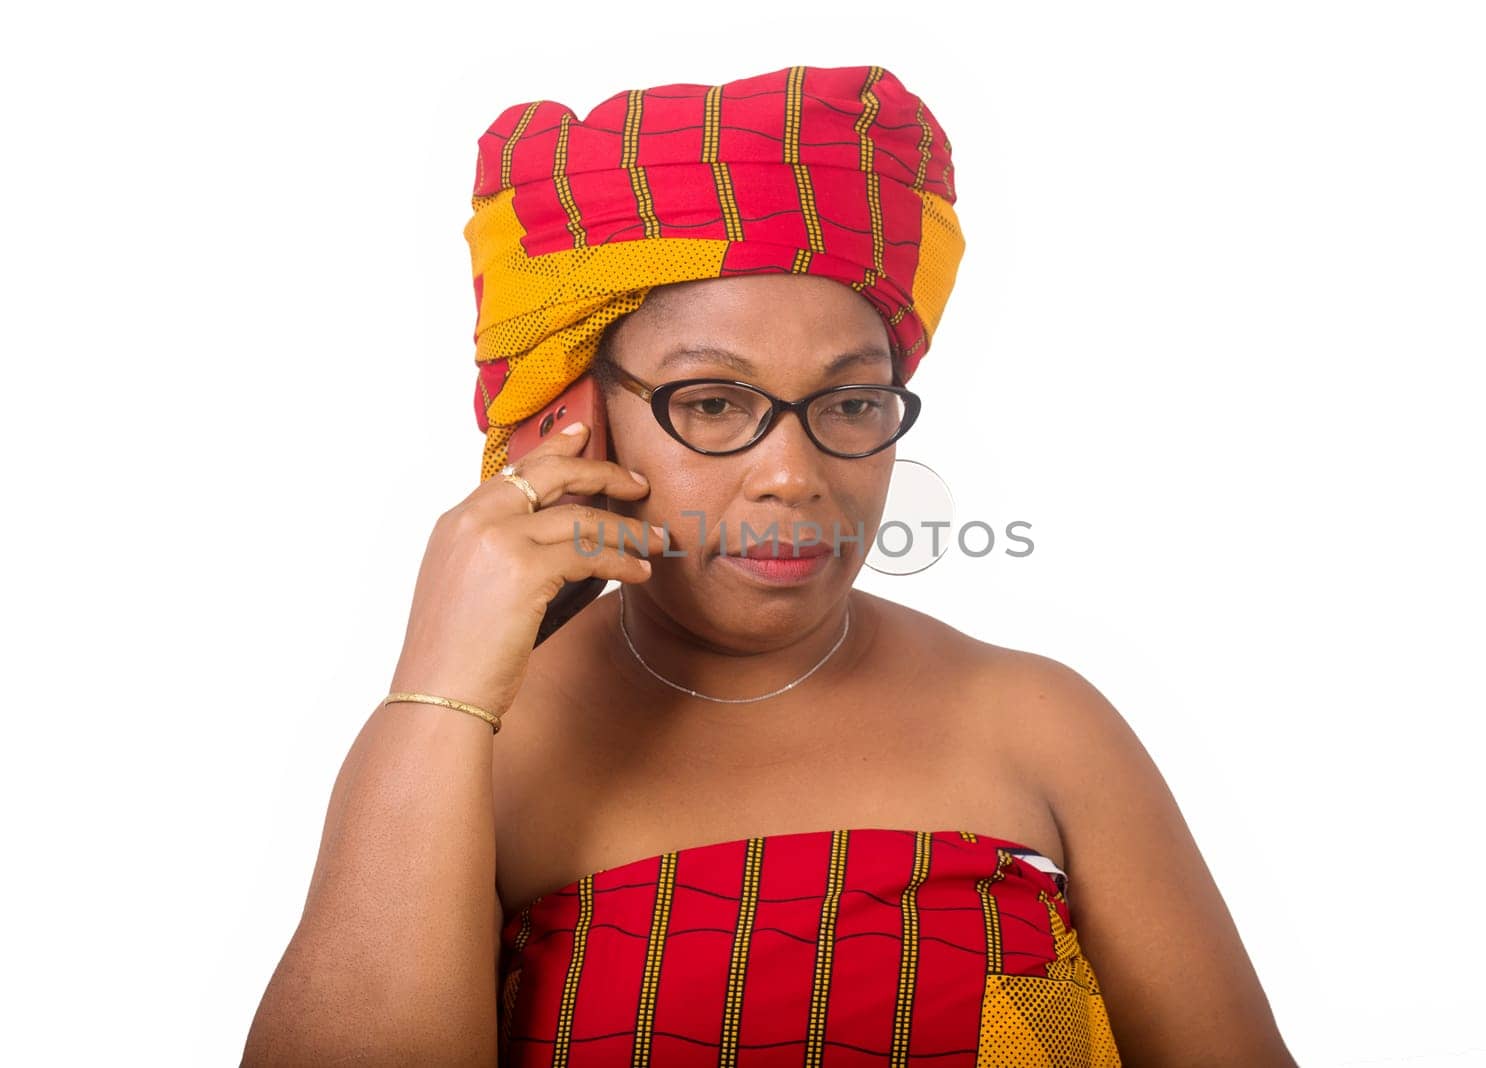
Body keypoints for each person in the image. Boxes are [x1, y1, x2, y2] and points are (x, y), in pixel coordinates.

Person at [243, 64, 1296, 1067]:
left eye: (848, 404)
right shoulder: (468, 759)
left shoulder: (1039, 723)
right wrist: (439, 695)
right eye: (711, 403)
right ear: (574, 421)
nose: (793, 476)